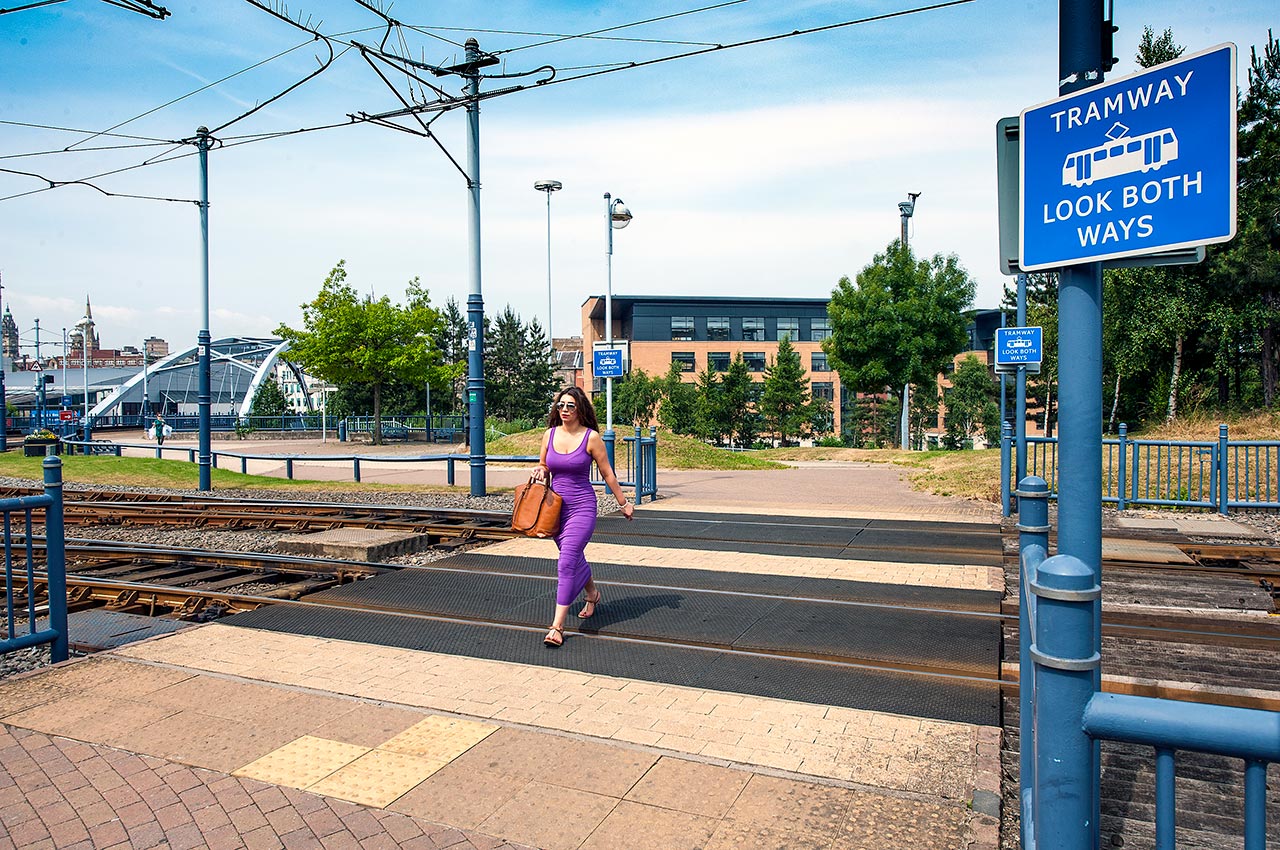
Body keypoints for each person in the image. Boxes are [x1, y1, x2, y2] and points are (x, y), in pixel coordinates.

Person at [534, 386, 634, 647]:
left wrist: (624, 503)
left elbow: (607, 474)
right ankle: (592, 594)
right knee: (573, 555)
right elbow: (544, 465)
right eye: (561, 405)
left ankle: (557, 626)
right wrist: (541, 470)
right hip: (556, 509)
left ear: (580, 409)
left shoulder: (591, 438)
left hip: (582, 507)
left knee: (566, 561)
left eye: (570, 406)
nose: (564, 410)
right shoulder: (549, 435)